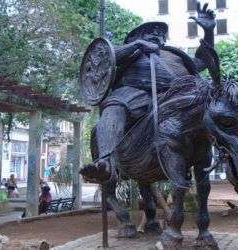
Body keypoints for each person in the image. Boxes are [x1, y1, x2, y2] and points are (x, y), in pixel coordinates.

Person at [82, 3, 216, 182]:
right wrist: (137, 46)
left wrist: (208, 33)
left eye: (160, 33)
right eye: (150, 31)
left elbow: (202, 61)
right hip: (134, 95)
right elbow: (102, 57)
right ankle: (106, 162)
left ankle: (233, 158)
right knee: (114, 107)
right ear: (135, 37)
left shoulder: (176, 55)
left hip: (176, 97)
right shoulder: (131, 52)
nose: (157, 35)